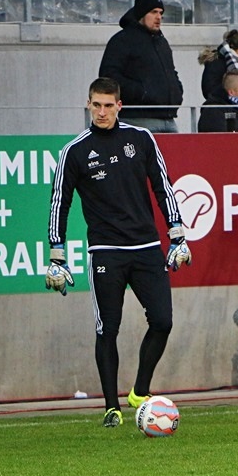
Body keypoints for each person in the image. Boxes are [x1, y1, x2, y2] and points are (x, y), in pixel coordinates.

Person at [46, 77, 192, 428]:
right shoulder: (74, 151)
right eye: (96, 105)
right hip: (106, 252)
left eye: (108, 105)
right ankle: (111, 408)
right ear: (88, 105)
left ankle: (140, 392)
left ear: (119, 106)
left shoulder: (141, 139)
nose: (101, 112)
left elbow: (163, 185)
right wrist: (56, 255)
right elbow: (59, 203)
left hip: (145, 248)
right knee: (107, 328)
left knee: (162, 321)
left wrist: (178, 235)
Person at [98, 0, 183, 133]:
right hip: (138, 119)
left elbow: (171, 72)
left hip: (169, 119)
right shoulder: (122, 40)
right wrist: (141, 92)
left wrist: (177, 91)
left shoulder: (161, 42)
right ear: (141, 14)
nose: (159, 17)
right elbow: (108, 77)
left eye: (161, 13)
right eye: (153, 12)